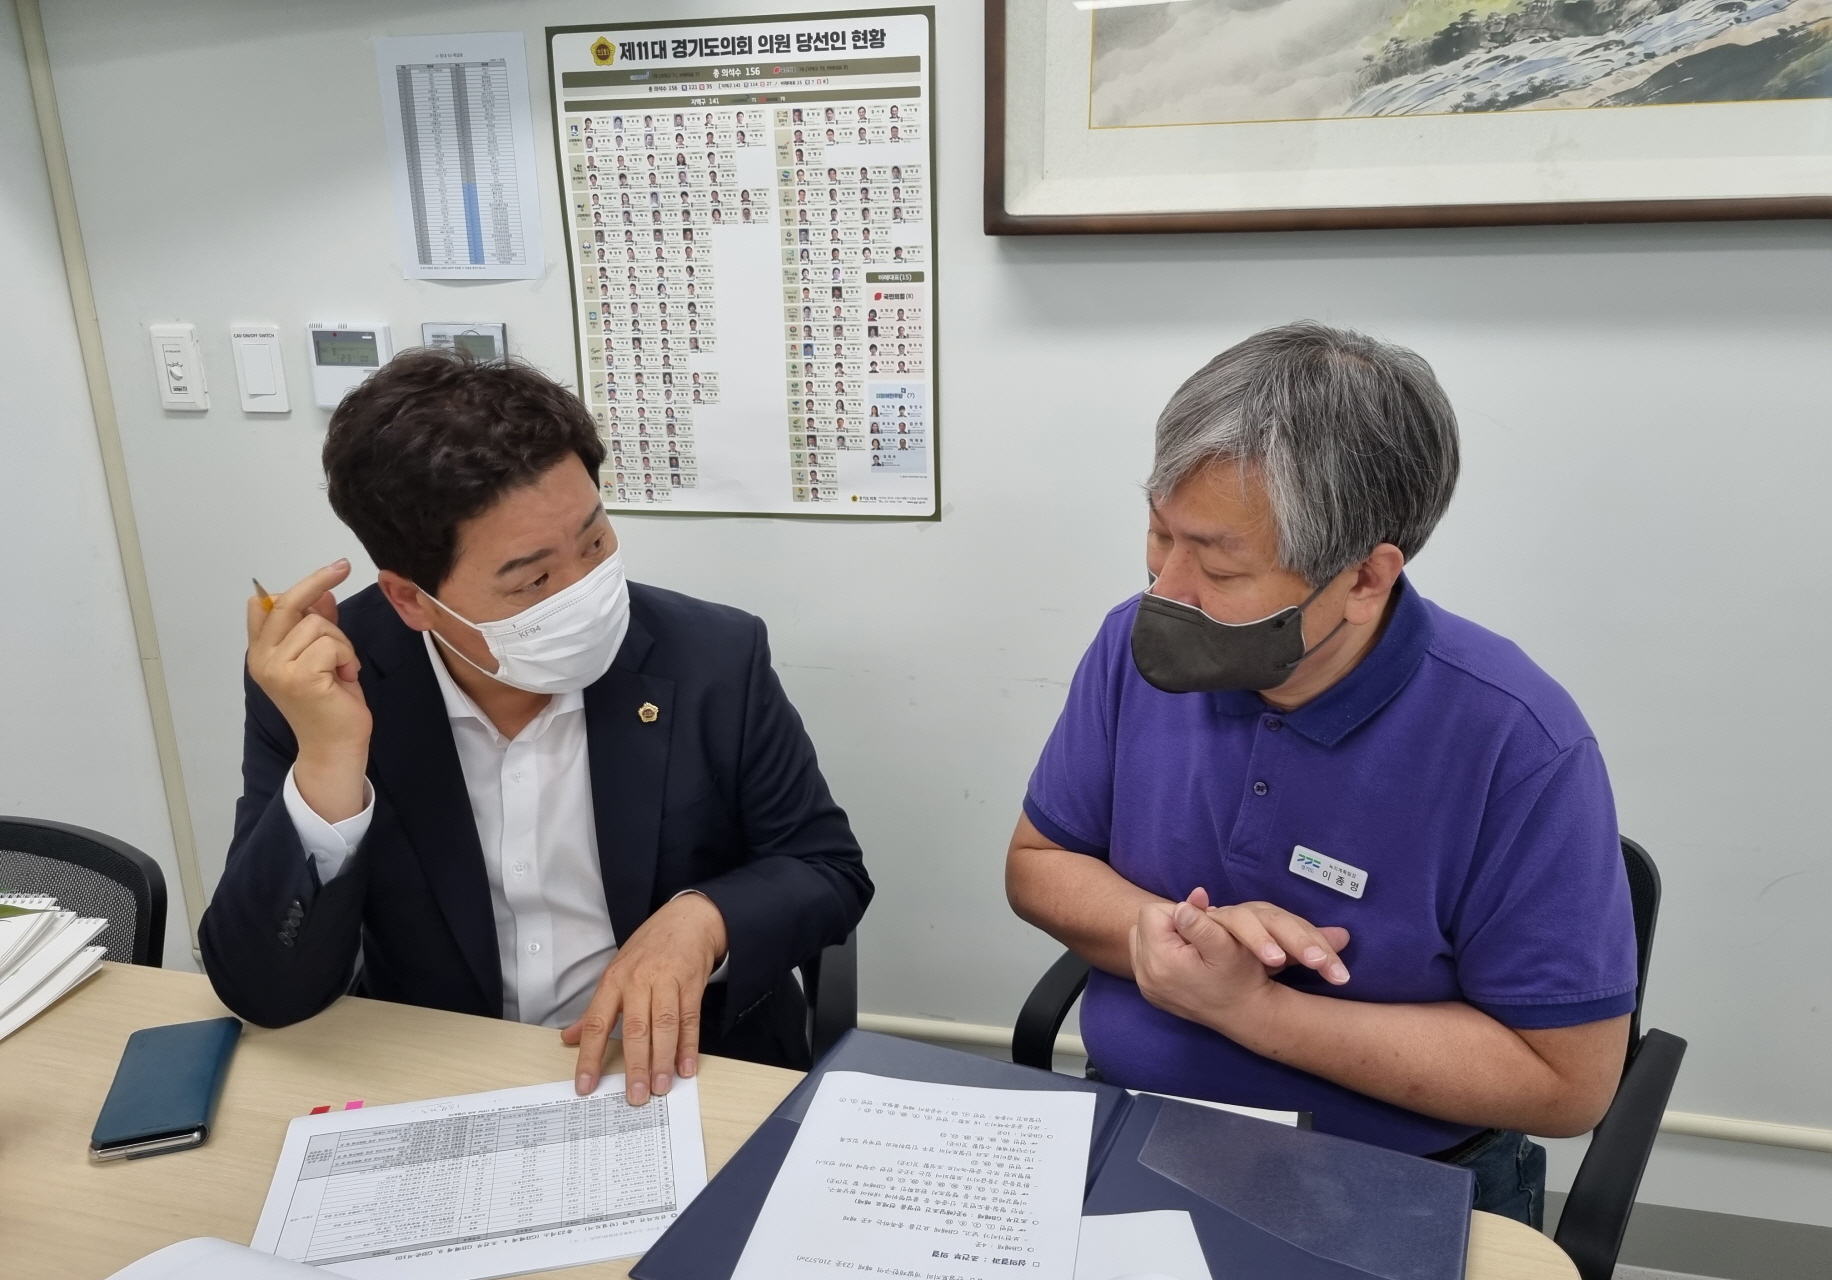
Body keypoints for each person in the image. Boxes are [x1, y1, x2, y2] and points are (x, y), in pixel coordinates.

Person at [1006, 322, 1635, 1227]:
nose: (1167, 588)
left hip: (1390, 1175)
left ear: (1367, 579)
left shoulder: (1516, 741)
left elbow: (1566, 1083)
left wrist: (1253, 1010)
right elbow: (1039, 862)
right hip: (1136, 1123)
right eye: (1158, 533)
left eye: (1219, 563)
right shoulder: (1133, 646)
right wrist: (1169, 932)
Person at [205, 351, 871, 1105]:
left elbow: (826, 868)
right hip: (438, 1082)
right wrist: (330, 760)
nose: (584, 592)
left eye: (594, 541)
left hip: (681, 1072)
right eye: (533, 580)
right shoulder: (326, 688)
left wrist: (704, 919)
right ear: (411, 600)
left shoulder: (712, 656)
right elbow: (264, 989)